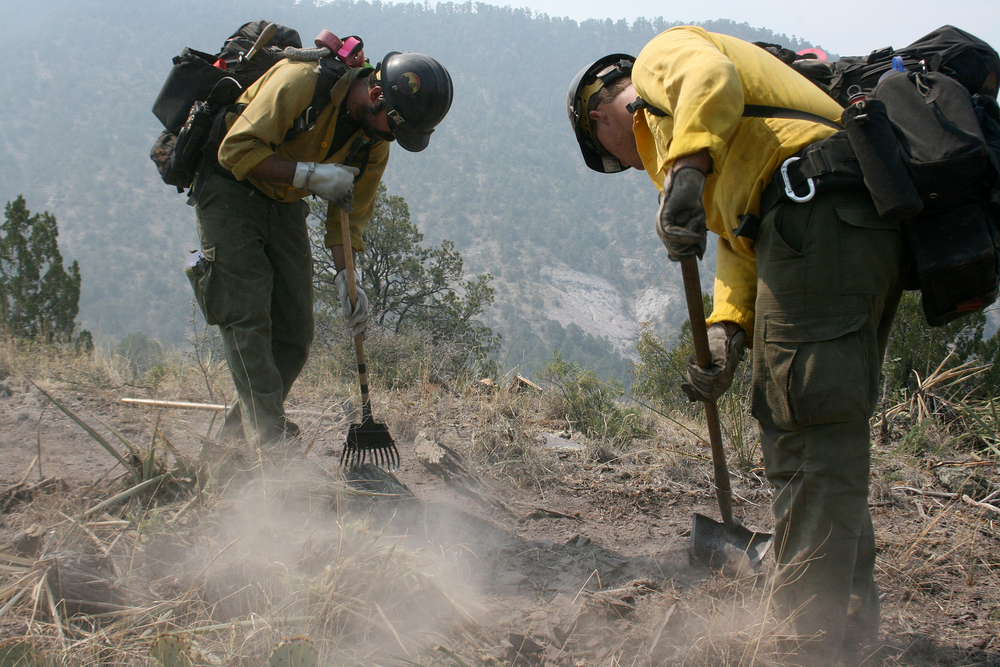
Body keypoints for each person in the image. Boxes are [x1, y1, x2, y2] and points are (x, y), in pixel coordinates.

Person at [567, 26, 908, 666]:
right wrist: (726, 329)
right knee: (819, 423)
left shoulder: (659, 62)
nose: (629, 164)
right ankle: (848, 624)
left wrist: (687, 170)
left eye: (611, 156)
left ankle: (807, 640)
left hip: (817, 210)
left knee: (805, 424)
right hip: (827, 221)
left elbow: (711, 80)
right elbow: (740, 235)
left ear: (598, 118)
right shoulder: (719, 142)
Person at [189, 47, 453, 447]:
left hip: (283, 201)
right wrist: (309, 175)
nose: (392, 138)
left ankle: (235, 443)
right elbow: (234, 150)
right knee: (246, 314)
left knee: (295, 334)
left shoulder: (374, 140)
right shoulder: (301, 81)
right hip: (228, 189)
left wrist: (349, 277)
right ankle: (268, 441)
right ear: (377, 96)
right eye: (394, 128)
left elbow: (349, 216)